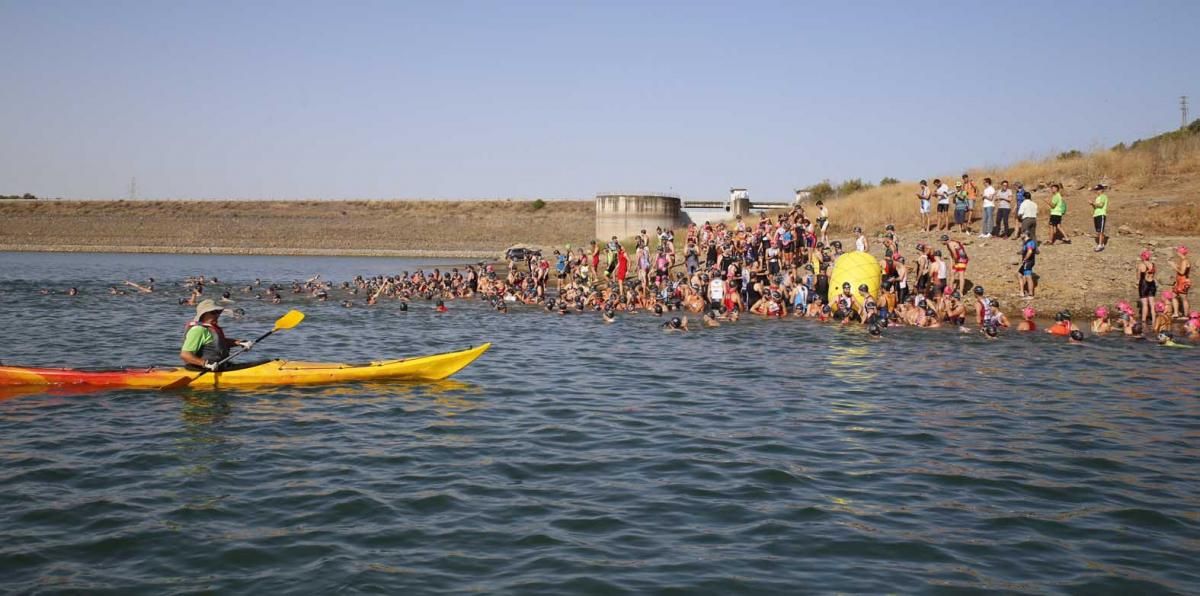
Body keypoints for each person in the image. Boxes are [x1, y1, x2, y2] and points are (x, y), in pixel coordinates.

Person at [180, 299, 253, 371]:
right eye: (213, 312)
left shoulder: (209, 328)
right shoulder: (197, 330)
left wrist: (240, 343)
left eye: (218, 312)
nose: (217, 315)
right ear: (203, 314)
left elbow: (219, 342)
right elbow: (185, 355)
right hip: (202, 369)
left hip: (220, 367)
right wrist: (205, 363)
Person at [1137, 250, 1158, 327]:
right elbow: (1154, 274)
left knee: (1145, 304)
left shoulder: (1141, 265)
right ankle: (1154, 321)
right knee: (1152, 304)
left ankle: (1143, 322)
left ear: (1142, 257)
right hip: (1152, 284)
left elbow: (1138, 276)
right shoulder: (1153, 264)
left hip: (1144, 284)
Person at [1171, 246, 1191, 317]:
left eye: (1177, 252)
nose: (1177, 253)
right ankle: (1176, 313)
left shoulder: (1185, 261)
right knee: (1173, 296)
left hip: (1183, 281)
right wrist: (1176, 265)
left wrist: (1174, 267)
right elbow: (1181, 269)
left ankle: (1186, 315)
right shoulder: (1183, 260)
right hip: (1179, 281)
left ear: (1180, 253)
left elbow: (1182, 272)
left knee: (1183, 298)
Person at [1018, 234, 1038, 298]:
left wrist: (1025, 259)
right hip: (1026, 262)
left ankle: (1031, 294)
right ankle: (1022, 292)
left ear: (1025, 234)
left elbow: (1030, 251)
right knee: (1019, 274)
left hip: (1028, 262)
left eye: (1021, 234)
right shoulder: (1026, 242)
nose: (1020, 235)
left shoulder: (1030, 242)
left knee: (1028, 277)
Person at [1091, 184, 1109, 251]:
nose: (1097, 191)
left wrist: (1094, 203)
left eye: (1098, 190)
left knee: (1101, 231)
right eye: (1096, 190)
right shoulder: (1097, 198)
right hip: (1096, 215)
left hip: (1101, 214)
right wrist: (1092, 204)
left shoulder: (1103, 196)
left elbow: (1101, 205)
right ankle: (1102, 243)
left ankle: (1100, 245)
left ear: (1102, 190)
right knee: (1098, 231)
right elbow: (1095, 207)